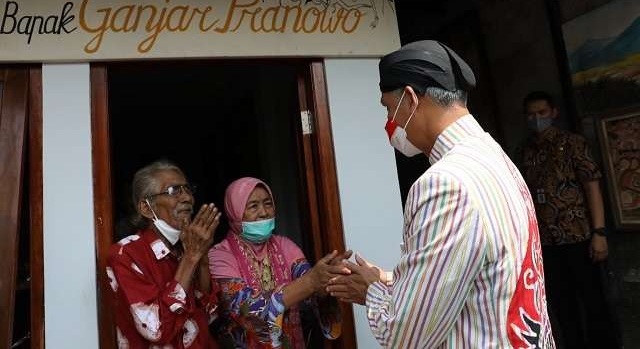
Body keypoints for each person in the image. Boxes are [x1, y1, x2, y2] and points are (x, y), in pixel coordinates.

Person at [326, 40, 555, 348]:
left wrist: (371, 291)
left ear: (409, 99)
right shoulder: (495, 157)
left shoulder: (444, 184)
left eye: (389, 108)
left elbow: (406, 335)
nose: (389, 122)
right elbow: (479, 273)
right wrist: (390, 279)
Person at [518, 91, 620, 348]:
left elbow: (591, 185)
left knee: (593, 300)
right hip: (547, 243)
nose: (537, 118)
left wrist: (599, 232)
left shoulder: (572, 143)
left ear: (554, 113)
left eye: (542, 112)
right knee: (562, 305)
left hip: (579, 236)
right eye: (531, 114)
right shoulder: (524, 151)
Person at [208, 177, 347, 348]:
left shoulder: (285, 246)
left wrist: (326, 281)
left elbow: (310, 284)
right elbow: (246, 309)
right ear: (234, 211)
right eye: (253, 206)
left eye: (268, 204)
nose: (264, 212)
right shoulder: (220, 255)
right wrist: (311, 281)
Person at [106, 160, 221, 348]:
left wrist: (202, 258)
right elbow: (156, 329)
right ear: (146, 208)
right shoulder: (125, 254)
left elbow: (209, 315)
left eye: (187, 189)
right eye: (174, 191)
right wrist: (191, 258)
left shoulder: (186, 246)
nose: (187, 198)